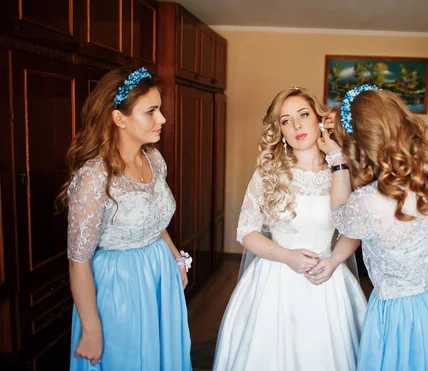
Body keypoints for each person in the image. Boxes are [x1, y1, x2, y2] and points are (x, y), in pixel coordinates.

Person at [321, 85, 428, 370]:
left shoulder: (369, 202)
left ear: (359, 143)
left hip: (408, 313)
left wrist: (338, 160)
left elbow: (340, 216)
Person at [213, 87, 367, 371]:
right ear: (279, 130)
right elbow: (246, 231)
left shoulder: (342, 170)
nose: (296, 125)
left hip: (327, 279)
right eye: (285, 120)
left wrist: (333, 261)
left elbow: (352, 229)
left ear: (319, 120)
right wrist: (287, 256)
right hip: (275, 280)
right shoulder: (268, 172)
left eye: (303, 115)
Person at [57, 67, 192, 370]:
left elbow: (154, 222)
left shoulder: (154, 159)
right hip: (120, 287)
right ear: (120, 118)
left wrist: (175, 260)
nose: (163, 119)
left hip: (159, 277)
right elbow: (78, 261)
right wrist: (91, 330)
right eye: (151, 112)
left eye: (160, 110)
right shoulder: (94, 177)